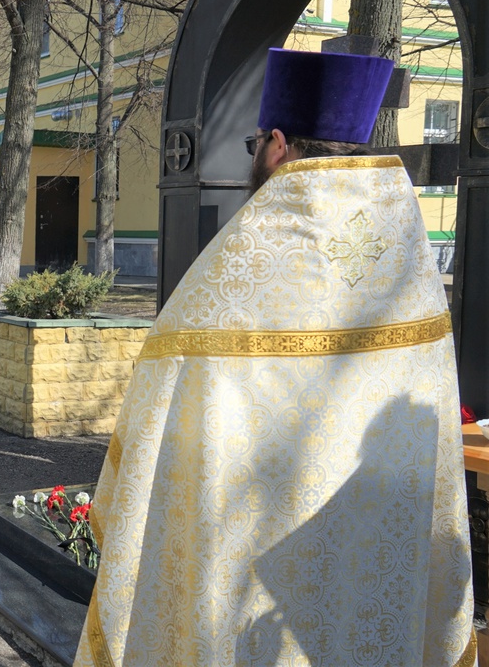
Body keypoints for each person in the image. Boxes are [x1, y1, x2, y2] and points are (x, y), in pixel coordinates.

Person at [75, 48, 475, 665]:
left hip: (243, 582)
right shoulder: (410, 267)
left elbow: (158, 423)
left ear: (280, 145)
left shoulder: (234, 271)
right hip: (373, 568)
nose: (256, 156)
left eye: (255, 144)